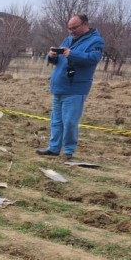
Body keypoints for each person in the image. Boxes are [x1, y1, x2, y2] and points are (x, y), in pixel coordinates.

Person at [36, 13, 104, 159]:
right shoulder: (68, 39)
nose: (72, 31)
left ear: (85, 24)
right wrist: (52, 56)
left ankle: (68, 151)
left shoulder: (96, 41)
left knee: (70, 122)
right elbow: (60, 59)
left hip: (75, 89)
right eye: (69, 28)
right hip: (59, 87)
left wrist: (72, 54)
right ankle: (53, 148)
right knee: (56, 121)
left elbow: (93, 58)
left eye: (75, 27)